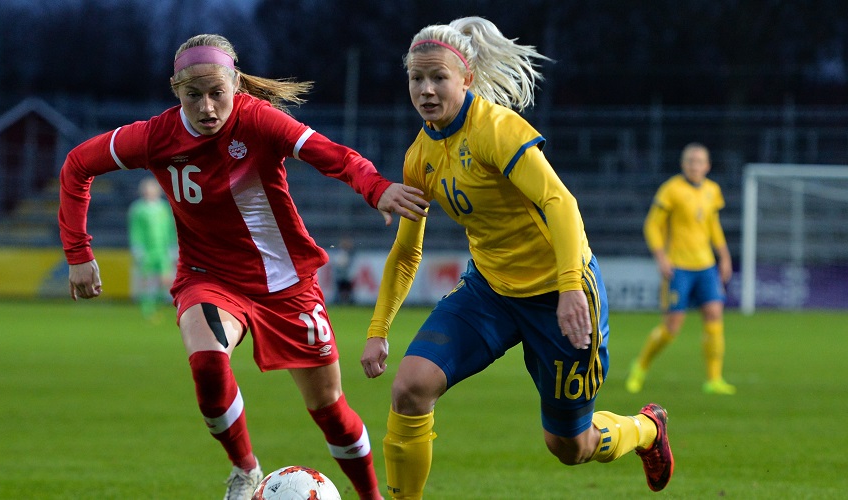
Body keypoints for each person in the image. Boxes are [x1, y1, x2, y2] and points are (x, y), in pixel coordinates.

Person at [59, 33, 429, 500]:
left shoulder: (259, 121)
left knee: (328, 407)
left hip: (287, 285)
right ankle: (245, 468)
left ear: (236, 83)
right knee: (208, 362)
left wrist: (376, 188)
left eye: (218, 93)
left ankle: (372, 497)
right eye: (193, 95)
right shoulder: (155, 137)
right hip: (208, 278)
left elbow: (334, 156)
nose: (207, 107)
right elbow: (77, 165)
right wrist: (78, 253)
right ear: (176, 91)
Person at [359, 17, 674, 498]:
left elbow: (560, 202)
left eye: (438, 77)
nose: (426, 89)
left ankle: (647, 429)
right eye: (416, 78)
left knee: (570, 445)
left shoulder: (498, 129)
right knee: (410, 388)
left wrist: (570, 287)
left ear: (465, 78)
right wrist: (378, 330)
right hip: (489, 292)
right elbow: (407, 252)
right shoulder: (419, 156)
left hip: (559, 294)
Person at [625, 143, 736, 396]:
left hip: (706, 265)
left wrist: (725, 257)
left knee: (714, 316)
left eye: (699, 161)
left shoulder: (712, 190)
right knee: (672, 327)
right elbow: (652, 225)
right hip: (679, 268)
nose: (694, 165)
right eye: (690, 161)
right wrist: (661, 258)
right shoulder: (671, 189)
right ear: (683, 164)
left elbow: (713, 226)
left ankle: (714, 379)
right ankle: (640, 366)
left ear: (707, 166)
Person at [127, 176, 176, 322]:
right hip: (147, 251)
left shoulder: (164, 208)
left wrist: (172, 247)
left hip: (163, 251)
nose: (150, 192)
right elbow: (135, 230)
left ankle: (159, 307)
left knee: (164, 280)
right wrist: (137, 249)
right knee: (147, 282)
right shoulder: (138, 209)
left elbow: (170, 229)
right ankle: (148, 310)